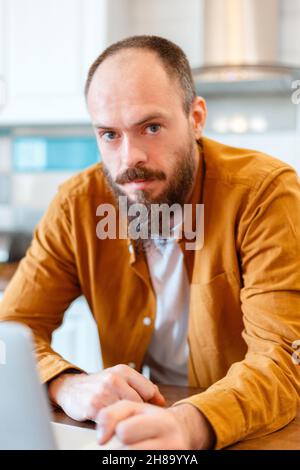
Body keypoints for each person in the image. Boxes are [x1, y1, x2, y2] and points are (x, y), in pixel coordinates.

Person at [0, 35, 299, 450]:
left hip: (253, 432)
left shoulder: (265, 194)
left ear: (196, 118)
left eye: (151, 127)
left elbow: (284, 360)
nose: (129, 158)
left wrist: (189, 424)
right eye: (109, 135)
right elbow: (11, 330)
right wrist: (66, 384)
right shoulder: (76, 205)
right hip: (136, 434)